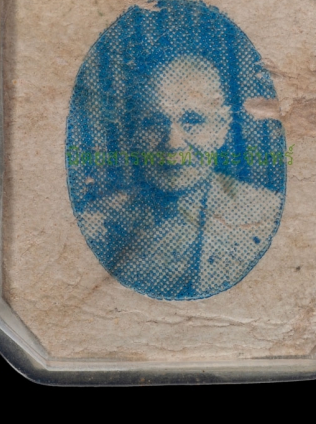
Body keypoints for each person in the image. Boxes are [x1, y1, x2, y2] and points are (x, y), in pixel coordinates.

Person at [78, 53, 283, 300]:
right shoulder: (97, 224)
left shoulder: (267, 214)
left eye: (192, 120)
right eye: (153, 123)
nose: (173, 144)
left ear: (221, 128)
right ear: (132, 134)